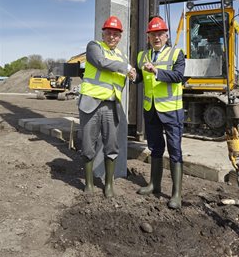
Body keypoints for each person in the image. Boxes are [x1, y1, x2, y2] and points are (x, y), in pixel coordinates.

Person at [129, 16, 185, 209]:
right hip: (150, 110)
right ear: (148, 37)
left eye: (160, 34)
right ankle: (154, 184)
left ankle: (176, 194)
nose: (156, 38)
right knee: (155, 148)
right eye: (153, 34)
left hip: (171, 111)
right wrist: (133, 76)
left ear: (166, 35)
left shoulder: (176, 53)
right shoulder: (142, 56)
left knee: (175, 150)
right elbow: (139, 79)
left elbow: (178, 76)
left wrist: (156, 71)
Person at [78, 16, 132, 198]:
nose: (112, 37)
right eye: (109, 33)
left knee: (111, 145)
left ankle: (109, 185)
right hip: (90, 103)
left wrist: (135, 73)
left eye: (116, 34)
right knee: (88, 144)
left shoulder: (121, 56)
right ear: (103, 33)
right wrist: (126, 67)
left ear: (120, 37)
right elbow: (101, 62)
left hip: (111, 106)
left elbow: (132, 75)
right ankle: (89, 184)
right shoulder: (94, 47)